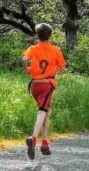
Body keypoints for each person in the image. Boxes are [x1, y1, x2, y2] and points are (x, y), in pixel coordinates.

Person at [21, 23, 67, 160]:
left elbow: (24, 59)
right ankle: (33, 138)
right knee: (42, 112)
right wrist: (59, 69)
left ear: (37, 36)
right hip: (47, 85)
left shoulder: (33, 48)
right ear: (50, 35)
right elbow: (63, 68)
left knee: (47, 111)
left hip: (34, 86)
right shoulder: (56, 50)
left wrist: (27, 69)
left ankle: (45, 143)